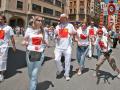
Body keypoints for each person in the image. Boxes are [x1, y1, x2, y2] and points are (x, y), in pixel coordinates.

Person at [22, 16, 48, 90]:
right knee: (30, 72)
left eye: (41, 21)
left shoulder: (43, 31)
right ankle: (34, 81)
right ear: (34, 21)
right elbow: (24, 41)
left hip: (40, 53)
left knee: (34, 74)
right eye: (38, 20)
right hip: (30, 53)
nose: (40, 22)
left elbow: (47, 43)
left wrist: (44, 42)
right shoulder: (29, 30)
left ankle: (32, 86)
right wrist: (25, 43)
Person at [54, 13, 76, 81]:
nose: (62, 19)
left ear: (66, 19)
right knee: (56, 59)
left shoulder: (70, 25)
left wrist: (71, 33)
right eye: (61, 18)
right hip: (58, 46)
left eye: (64, 18)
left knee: (67, 61)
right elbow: (55, 35)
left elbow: (75, 32)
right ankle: (60, 69)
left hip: (67, 46)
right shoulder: (58, 26)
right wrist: (57, 36)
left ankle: (66, 74)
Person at [0, 15, 16, 82]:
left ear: (4, 20)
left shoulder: (8, 28)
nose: (0, 20)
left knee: (2, 60)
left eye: (1, 19)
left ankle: (1, 74)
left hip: (4, 46)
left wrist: (14, 46)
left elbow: (12, 37)